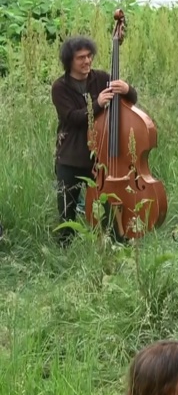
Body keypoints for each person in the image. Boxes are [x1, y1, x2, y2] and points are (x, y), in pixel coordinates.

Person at [51, 36, 137, 245]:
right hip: (71, 156)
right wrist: (97, 103)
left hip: (100, 156)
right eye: (81, 58)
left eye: (89, 56)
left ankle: (114, 239)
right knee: (67, 209)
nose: (87, 61)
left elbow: (129, 103)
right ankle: (65, 247)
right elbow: (73, 118)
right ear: (69, 61)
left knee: (107, 202)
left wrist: (128, 90)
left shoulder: (100, 78)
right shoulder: (60, 87)